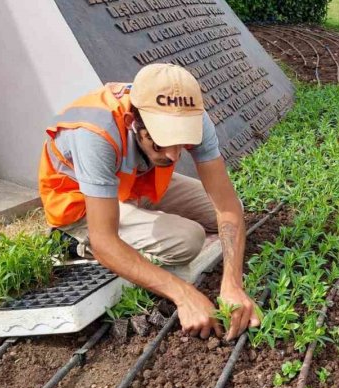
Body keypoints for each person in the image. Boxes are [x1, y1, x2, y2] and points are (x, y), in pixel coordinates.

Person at [38, 63, 260, 340]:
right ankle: (71, 239)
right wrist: (184, 294)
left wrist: (232, 284)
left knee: (232, 209)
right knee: (188, 239)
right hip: (81, 201)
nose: (173, 155)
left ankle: (137, 217)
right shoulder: (95, 134)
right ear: (132, 123)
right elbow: (105, 241)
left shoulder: (194, 116)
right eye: (160, 142)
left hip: (132, 183)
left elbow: (227, 207)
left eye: (181, 142)